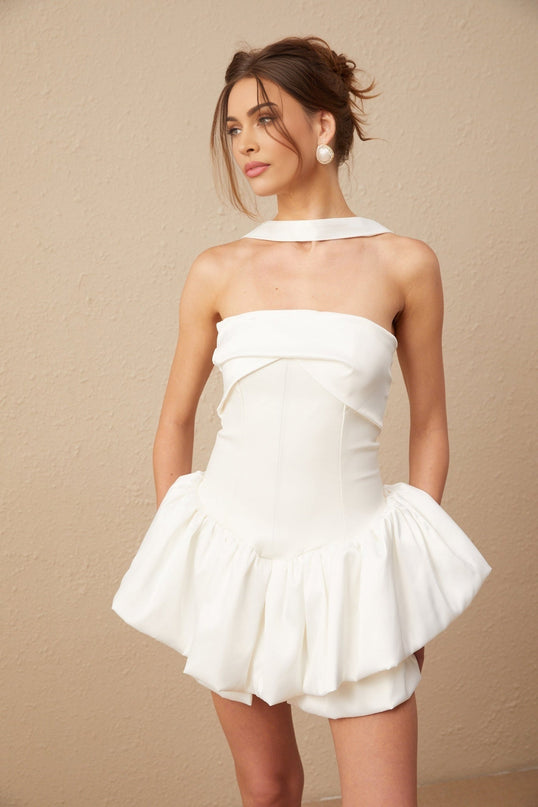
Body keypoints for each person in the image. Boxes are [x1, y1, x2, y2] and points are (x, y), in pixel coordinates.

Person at [112, 36, 491, 807]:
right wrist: (193, 566)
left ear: (323, 127)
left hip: (354, 568)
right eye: (231, 128)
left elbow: (430, 426)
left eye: (262, 118)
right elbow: (174, 423)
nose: (244, 143)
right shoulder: (218, 269)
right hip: (234, 566)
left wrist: (408, 582)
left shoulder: (404, 263)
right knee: (270, 789)